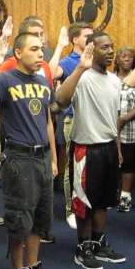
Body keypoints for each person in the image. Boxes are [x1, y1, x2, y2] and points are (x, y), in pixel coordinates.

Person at [57, 31, 135, 269]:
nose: (110, 51)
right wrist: (79, 69)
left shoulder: (114, 81)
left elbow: (115, 114)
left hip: (107, 148)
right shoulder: (82, 78)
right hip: (85, 149)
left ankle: (98, 242)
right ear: (92, 50)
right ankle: (83, 248)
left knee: (104, 200)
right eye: (104, 47)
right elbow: (61, 100)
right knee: (84, 203)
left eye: (112, 46)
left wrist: (116, 148)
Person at [0, 22, 61, 269]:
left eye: (42, 50)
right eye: (35, 50)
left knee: (38, 220)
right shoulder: (5, 79)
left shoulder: (43, 82)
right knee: (18, 221)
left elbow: (48, 121)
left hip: (41, 157)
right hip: (18, 158)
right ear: (19, 52)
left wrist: (53, 157)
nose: (41, 55)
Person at [57, 21, 93, 228]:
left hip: (92, 121)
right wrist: (60, 47)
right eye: (86, 36)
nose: (91, 40)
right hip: (73, 119)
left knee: (89, 168)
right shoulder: (68, 61)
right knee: (72, 167)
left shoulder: (97, 61)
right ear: (75, 40)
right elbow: (53, 74)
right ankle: (71, 208)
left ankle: (86, 205)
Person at [114, 46, 135, 213]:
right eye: (124, 56)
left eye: (130, 57)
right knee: (113, 162)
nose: (127, 59)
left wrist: (125, 118)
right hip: (112, 128)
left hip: (132, 128)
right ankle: (112, 195)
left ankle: (125, 197)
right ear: (117, 59)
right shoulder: (110, 78)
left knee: (128, 164)